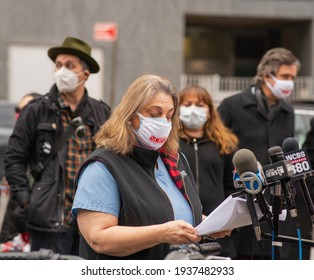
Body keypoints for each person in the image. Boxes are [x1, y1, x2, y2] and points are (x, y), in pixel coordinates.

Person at [72, 74, 232, 260]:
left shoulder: (173, 159)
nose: (163, 123)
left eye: (169, 116)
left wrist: (209, 224)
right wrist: (161, 233)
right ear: (130, 115)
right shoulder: (103, 167)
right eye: (154, 114)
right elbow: (99, 238)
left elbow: (172, 213)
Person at [4, 37, 111, 256]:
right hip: (48, 220)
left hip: (90, 221)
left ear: (85, 74)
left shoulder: (101, 112)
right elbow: (14, 158)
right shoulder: (36, 110)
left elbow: (113, 160)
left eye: (70, 66)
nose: (62, 71)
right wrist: (26, 200)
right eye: (59, 65)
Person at [217, 47, 302, 259]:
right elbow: (219, 156)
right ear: (266, 76)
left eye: (293, 77)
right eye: (285, 76)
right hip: (241, 205)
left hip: (278, 208)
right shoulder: (231, 106)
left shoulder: (288, 111)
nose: (290, 82)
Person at [178, 85, 238, 259]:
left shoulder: (224, 145)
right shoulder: (170, 145)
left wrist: (229, 221)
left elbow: (232, 187)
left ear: (210, 111)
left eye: (199, 104)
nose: (193, 109)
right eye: (187, 104)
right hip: (180, 230)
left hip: (218, 232)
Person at [0, 92, 41, 252]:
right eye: (18, 110)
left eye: (24, 110)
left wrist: (27, 204)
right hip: (14, 226)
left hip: (38, 227)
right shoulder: (16, 143)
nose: (19, 115)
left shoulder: (46, 146)